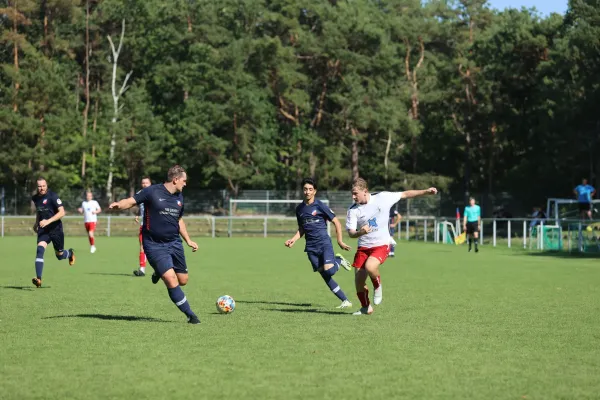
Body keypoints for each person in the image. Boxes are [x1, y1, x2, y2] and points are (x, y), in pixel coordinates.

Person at [109, 165, 201, 324]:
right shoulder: (152, 191)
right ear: (175, 179)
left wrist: (188, 240)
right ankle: (191, 315)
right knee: (171, 280)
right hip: (154, 244)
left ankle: (158, 271)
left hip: (174, 243)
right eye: (184, 181)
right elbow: (130, 201)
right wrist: (119, 205)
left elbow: (179, 220)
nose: (185, 184)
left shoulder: (180, 197)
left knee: (183, 280)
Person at [346, 178, 437, 315]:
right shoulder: (353, 210)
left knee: (371, 267)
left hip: (381, 244)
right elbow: (351, 233)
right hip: (363, 247)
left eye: (355, 193)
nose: (353, 197)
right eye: (352, 194)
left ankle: (378, 286)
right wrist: (360, 232)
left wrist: (426, 192)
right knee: (359, 282)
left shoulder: (383, 197)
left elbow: (405, 194)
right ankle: (366, 307)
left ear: (365, 191)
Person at [285, 178, 353, 309]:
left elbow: (337, 222)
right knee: (325, 275)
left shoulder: (320, 205)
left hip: (323, 243)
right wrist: (293, 239)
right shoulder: (299, 209)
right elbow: (302, 228)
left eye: (310, 189)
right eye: (305, 189)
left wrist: (339, 241)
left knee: (330, 271)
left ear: (315, 191)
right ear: (302, 190)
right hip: (310, 248)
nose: (307, 192)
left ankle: (338, 260)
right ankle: (345, 301)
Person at [31, 178, 76, 288]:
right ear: (37, 187)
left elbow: (62, 212)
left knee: (59, 256)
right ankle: (39, 279)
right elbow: (39, 211)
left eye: (43, 186)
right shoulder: (35, 198)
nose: (41, 188)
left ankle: (70, 254)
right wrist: (36, 223)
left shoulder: (53, 196)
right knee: (40, 250)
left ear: (47, 185)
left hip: (56, 229)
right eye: (39, 186)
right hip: (43, 229)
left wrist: (48, 221)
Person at [133, 177, 152, 276]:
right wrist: (137, 214)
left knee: (156, 247)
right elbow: (139, 205)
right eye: (143, 183)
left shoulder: (155, 193)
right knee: (142, 246)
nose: (144, 184)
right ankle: (142, 269)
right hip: (143, 225)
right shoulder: (139, 193)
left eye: (146, 183)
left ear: (150, 183)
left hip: (154, 225)